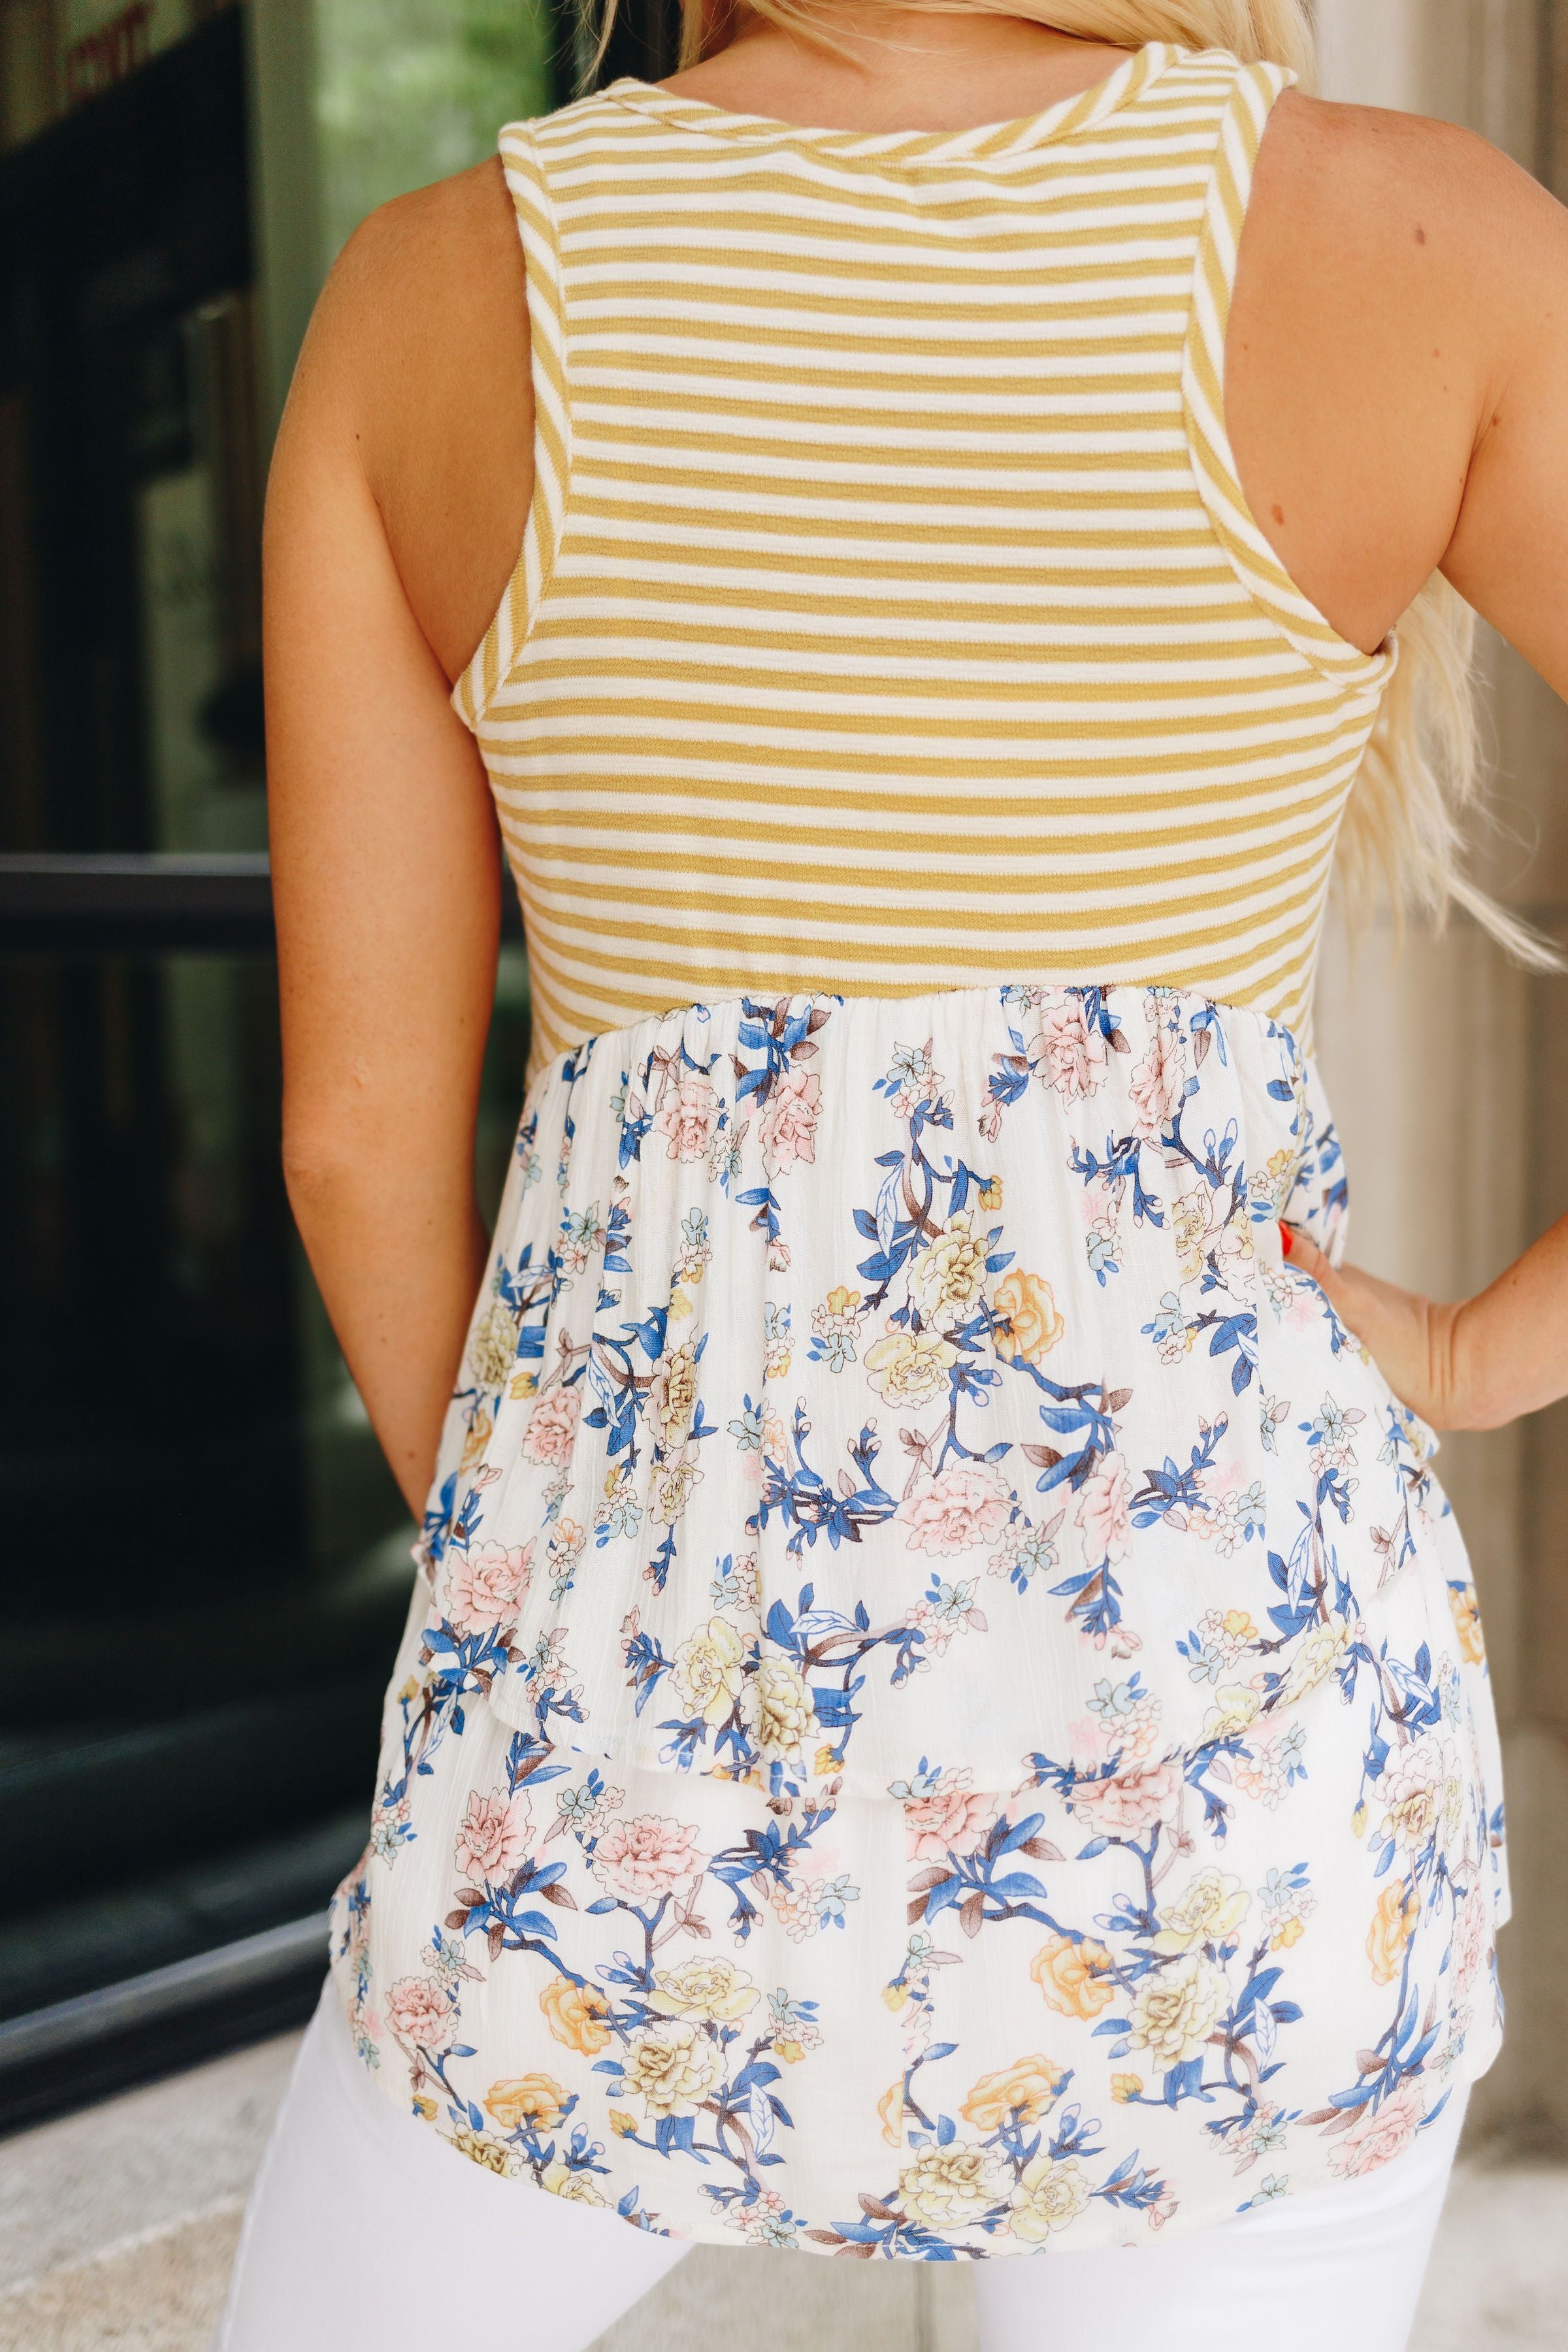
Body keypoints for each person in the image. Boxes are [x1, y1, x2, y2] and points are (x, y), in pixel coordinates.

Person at [218, 2, 1568, 2345]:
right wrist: (1474, 1350)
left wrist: (570, 1603)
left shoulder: (442, 289)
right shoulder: (1422, 242)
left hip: (627, 1773)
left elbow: (355, 1143)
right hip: (1231, 1783)